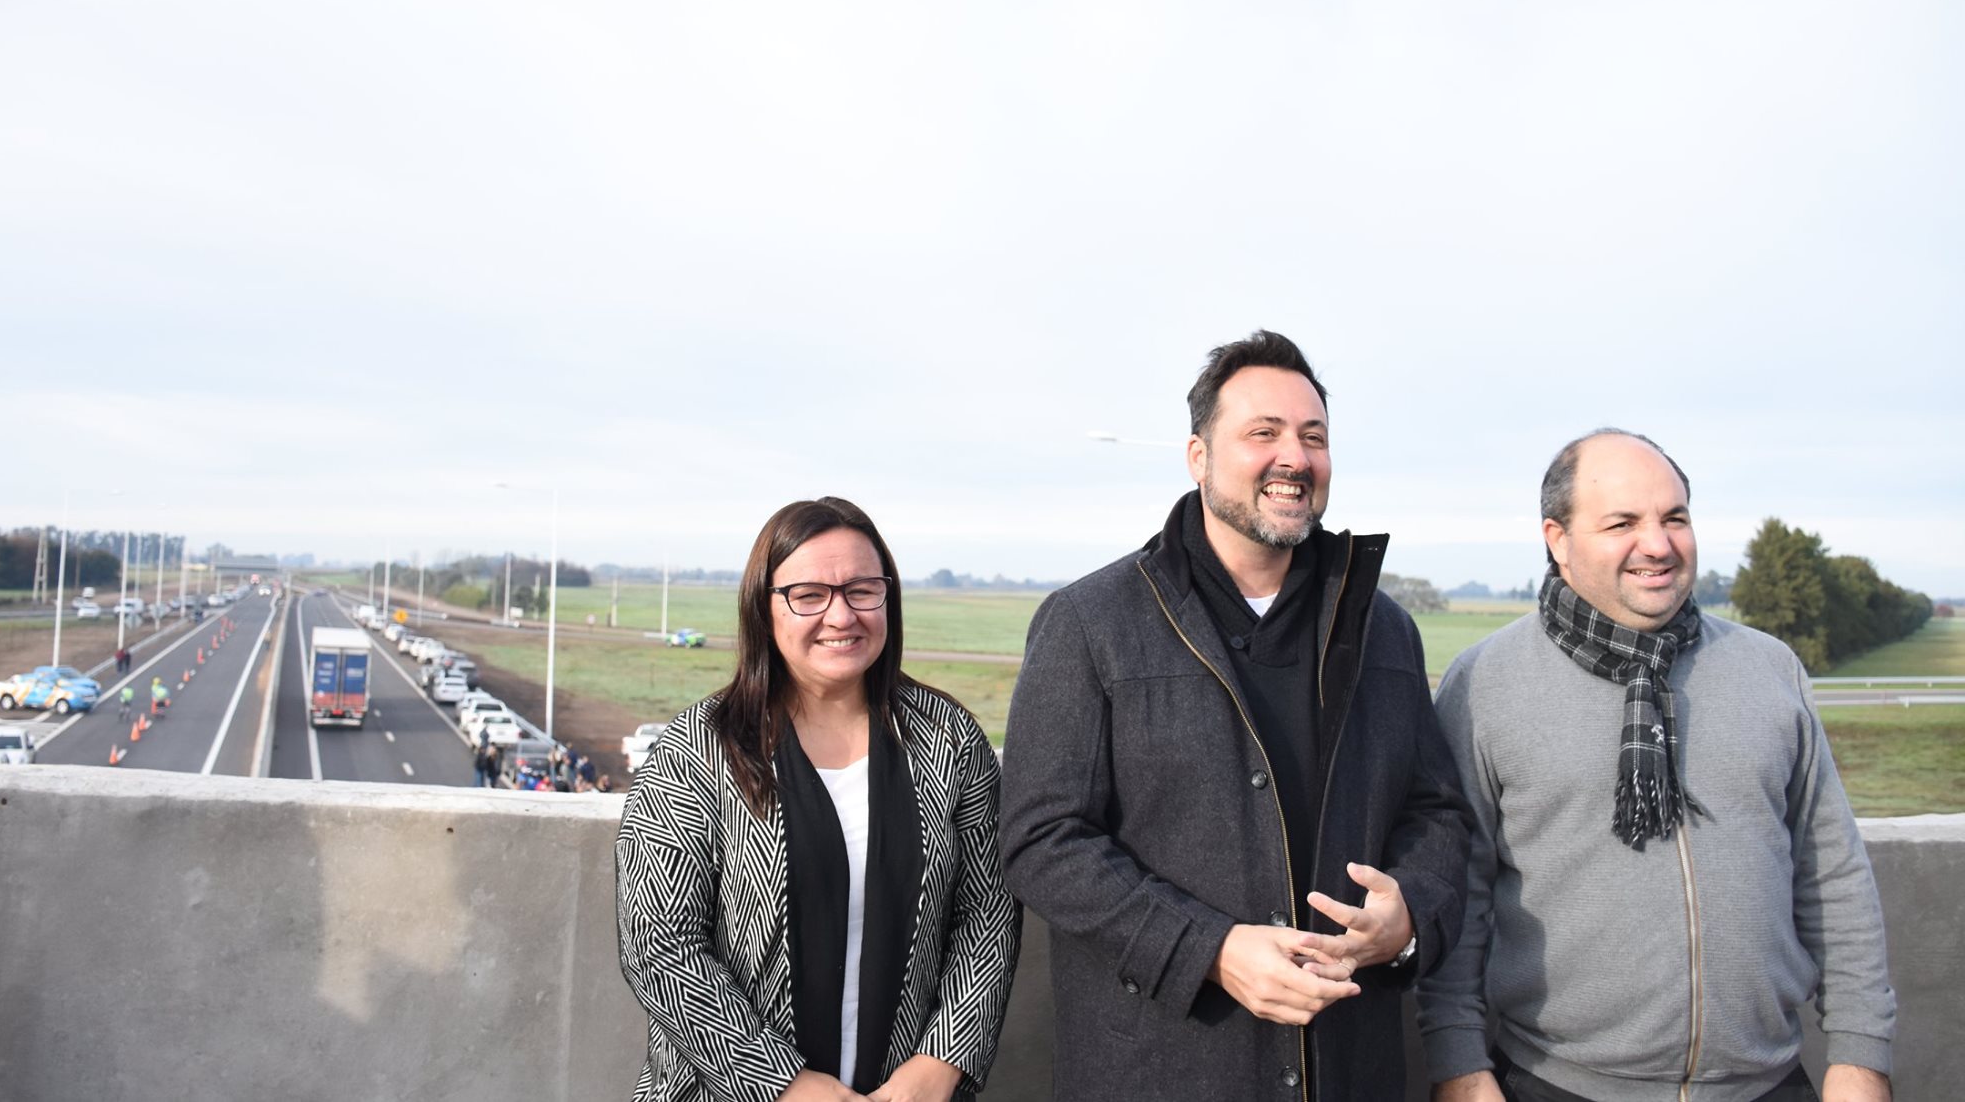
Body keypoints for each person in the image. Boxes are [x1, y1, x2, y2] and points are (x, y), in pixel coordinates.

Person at [999, 329, 1472, 1102]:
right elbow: (1040, 839)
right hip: (1161, 1071)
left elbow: (1436, 813)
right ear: (1199, 456)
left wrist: (1408, 914)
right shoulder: (1091, 621)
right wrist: (1210, 950)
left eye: (1313, 436)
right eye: (1264, 432)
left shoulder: (1385, 629)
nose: (1295, 456)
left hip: (1349, 1070)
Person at [1417, 430, 1896, 1102]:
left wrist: (1860, 1055)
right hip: (1557, 1084)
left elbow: (1833, 872)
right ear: (1557, 537)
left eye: (1675, 517)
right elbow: (1456, 893)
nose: (1659, 543)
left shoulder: (1769, 669)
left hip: (1769, 1084)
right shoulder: (1485, 683)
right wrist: (1459, 1064)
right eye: (1623, 522)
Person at [617, 496, 1021, 1102]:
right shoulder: (698, 746)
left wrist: (939, 1063)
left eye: (862, 590)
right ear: (765, 608)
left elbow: (986, 915)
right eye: (809, 595)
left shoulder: (949, 740)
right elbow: (659, 939)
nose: (841, 616)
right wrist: (785, 1085)